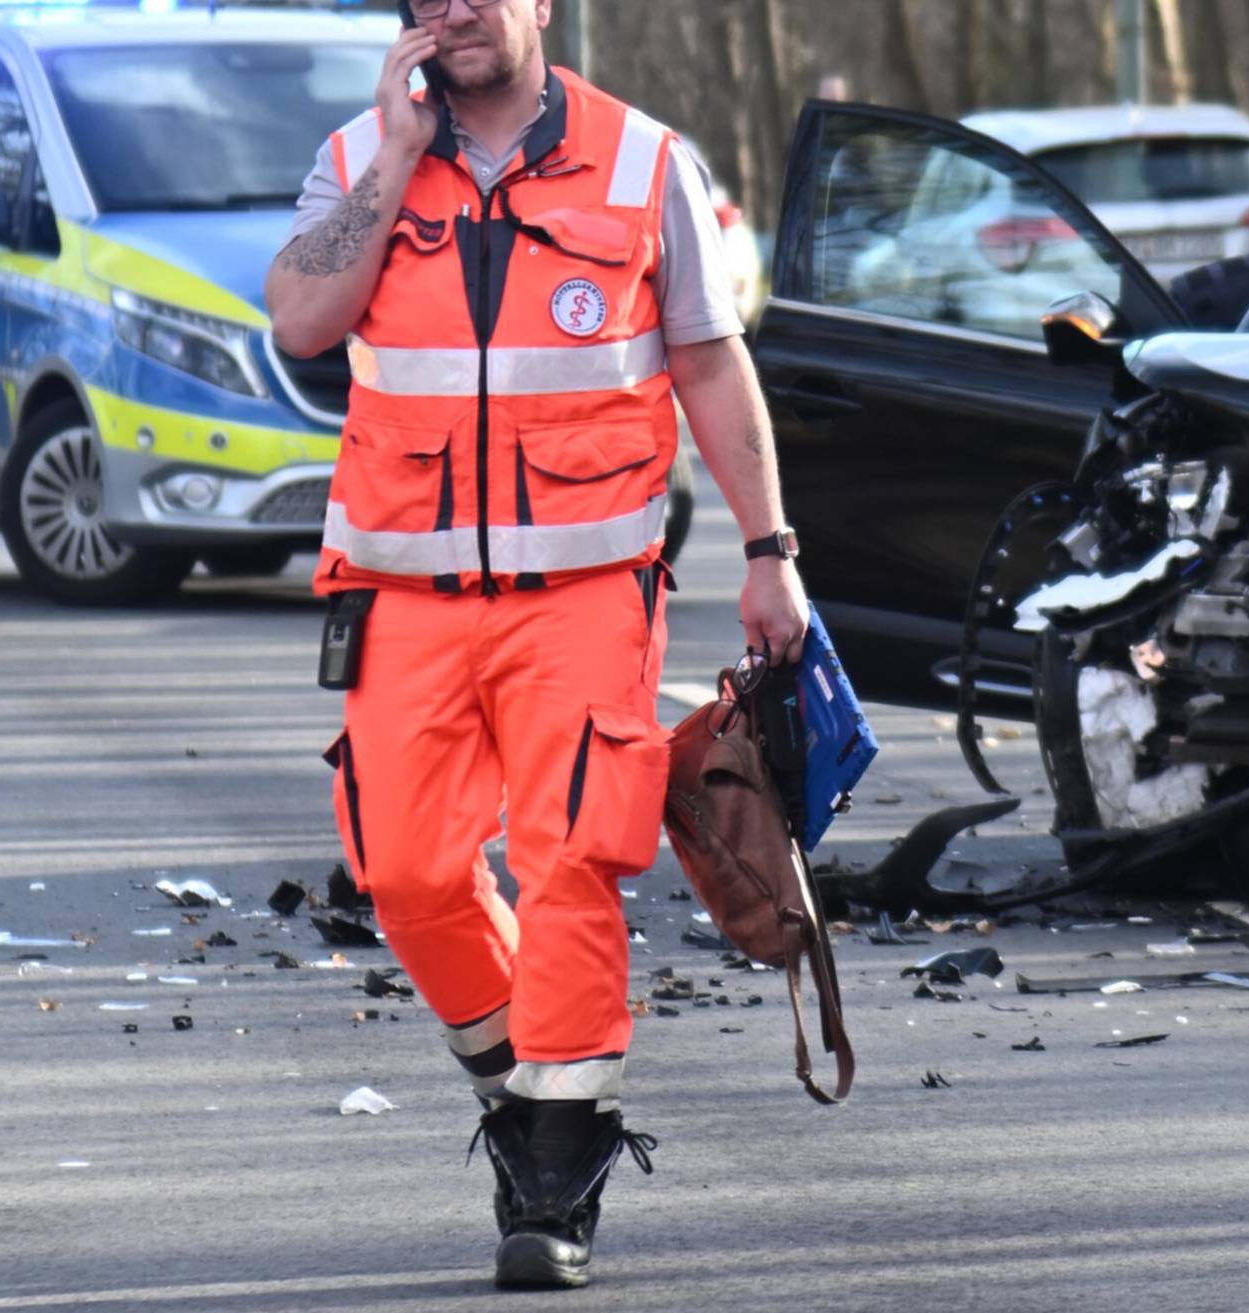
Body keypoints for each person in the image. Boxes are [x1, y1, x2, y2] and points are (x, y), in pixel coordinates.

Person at [262, 0, 808, 1291]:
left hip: (585, 596)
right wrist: (396, 166)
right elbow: (300, 320)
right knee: (401, 872)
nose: (452, 9)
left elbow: (713, 366)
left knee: (573, 864)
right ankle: (527, 1089)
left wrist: (771, 550)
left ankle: (555, 1174)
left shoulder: (644, 162)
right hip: (406, 600)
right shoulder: (355, 162)